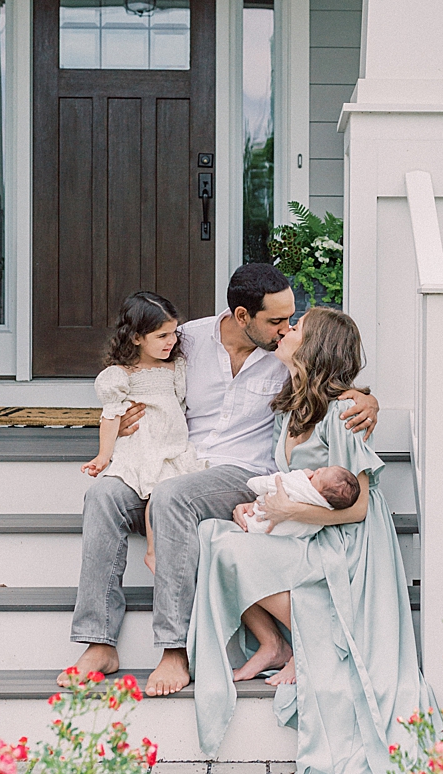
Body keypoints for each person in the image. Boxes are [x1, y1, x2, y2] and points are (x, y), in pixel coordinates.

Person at [61, 264, 378, 697]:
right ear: (242, 316)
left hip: (241, 474)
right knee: (103, 495)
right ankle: (99, 642)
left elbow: (334, 378)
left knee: (173, 497)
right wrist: (130, 416)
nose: (285, 329)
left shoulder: (288, 353)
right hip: (175, 461)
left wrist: (367, 398)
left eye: (291, 319)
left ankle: (175, 647)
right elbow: (131, 372)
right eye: (275, 320)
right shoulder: (186, 339)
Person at [187, 307, 436, 774]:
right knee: (216, 538)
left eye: (296, 327)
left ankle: (306, 637)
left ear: (315, 345)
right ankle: (280, 643)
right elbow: (295, 486)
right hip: (305, 530)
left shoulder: (344, 413)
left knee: (227, 550)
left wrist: (285, 513)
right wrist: (260, 509)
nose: (286, 330)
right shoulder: (295, 406)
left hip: (346, 544)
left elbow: (359, 507)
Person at [80, 292, 202, 574]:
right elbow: (111, 416)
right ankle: (153, 551)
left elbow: (180, 407)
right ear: (136, 338)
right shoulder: (121, 374)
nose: (171, 341)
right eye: (162, 336)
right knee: (156, 492)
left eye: (173, 333)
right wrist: (103, 456)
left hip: (173, 445)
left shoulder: (175, 367)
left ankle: (161, 550)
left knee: (167, 492)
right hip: (145, 444)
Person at [243, 465, 360, 536]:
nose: (318, 470)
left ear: (323, 498)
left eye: (321, 474)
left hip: (254, 523)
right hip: (281, 537)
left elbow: (259, 484)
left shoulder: (298, 484)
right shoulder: (322, 516)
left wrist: (299, 475)